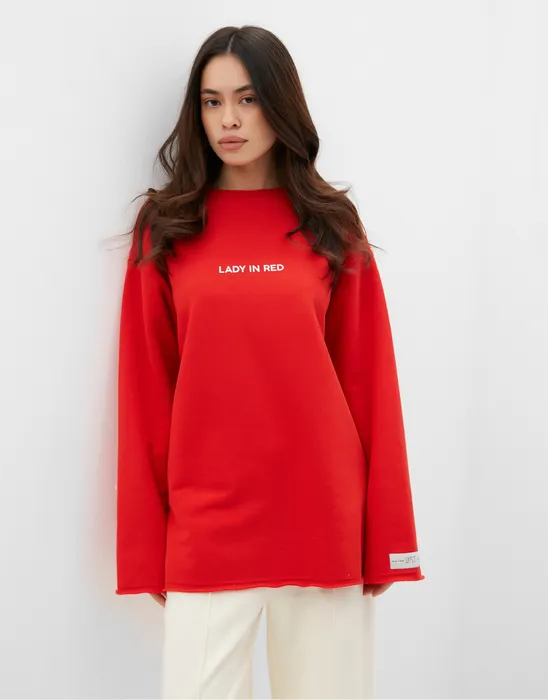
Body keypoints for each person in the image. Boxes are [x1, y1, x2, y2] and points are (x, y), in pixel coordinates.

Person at [114, 24, 424, 700]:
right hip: (207, 524)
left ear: (280, 104)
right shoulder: (167, 226)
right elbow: (145, 392)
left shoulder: (331, 222)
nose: (228, 119)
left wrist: (388, 538)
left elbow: (371, 383)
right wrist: (144, 547)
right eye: (212, 101)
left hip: (322, 520)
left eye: (248, 99)